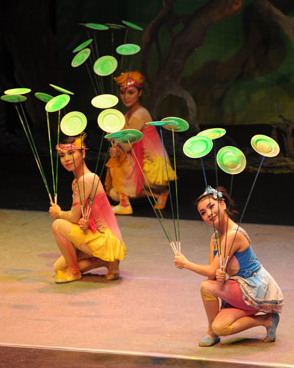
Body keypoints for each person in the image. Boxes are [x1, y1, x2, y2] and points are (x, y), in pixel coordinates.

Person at [174, 186, 283, 347]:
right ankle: (266, 319)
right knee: (221, 327)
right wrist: (219, 275)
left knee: (206, 287)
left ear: (223, 204)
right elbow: (212, 273)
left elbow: (209, 273)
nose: (208, 214)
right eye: (203, 212)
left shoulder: (234, 234)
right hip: (238, 289)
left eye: (211, 206)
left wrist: (186, 264)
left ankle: (211, 332)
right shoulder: (215, 238)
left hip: (254, 289)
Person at [49, 133, 126, 284]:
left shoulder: (86, 180)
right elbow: (79, 217)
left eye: (71, 153)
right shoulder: (78, 181)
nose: (66, 159)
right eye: (62, 155)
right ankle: (108, 262)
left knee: (57, 225)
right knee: (58, 268)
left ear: (82, 154)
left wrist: (58, 213)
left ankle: (74, 272)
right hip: (96, 235)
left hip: (105, 239)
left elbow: (71, 217)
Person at [105, 71, 177, 215]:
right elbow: (123, 145)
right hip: (139, 160)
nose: (126, 97)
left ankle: (125, 204)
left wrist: (114, 139)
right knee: (114, 193)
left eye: (130, 92)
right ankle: (158, 194)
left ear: (140, 92)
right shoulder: (127, 115)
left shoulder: (140, 114)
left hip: (152, 165)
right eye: (122, 92)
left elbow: (125, 145)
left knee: (117, 166)